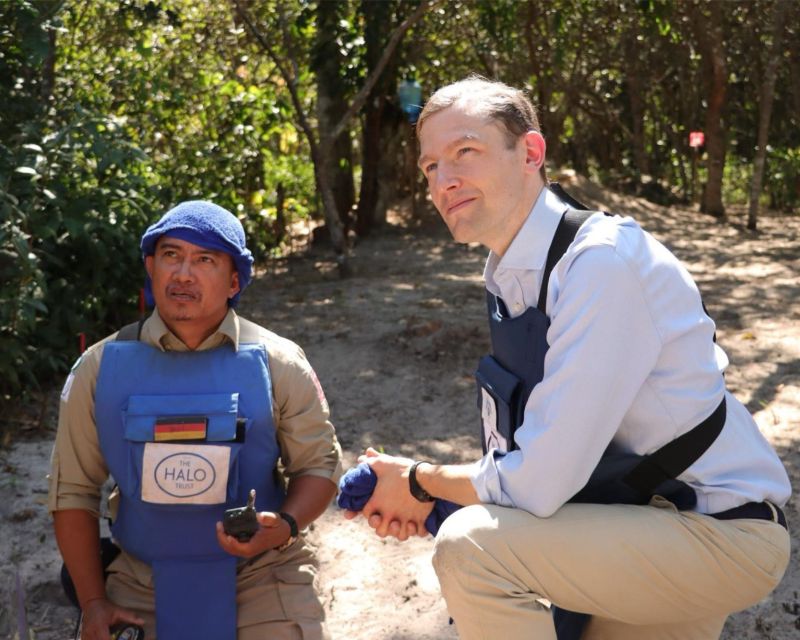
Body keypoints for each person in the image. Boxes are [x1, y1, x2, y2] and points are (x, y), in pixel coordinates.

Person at [345, 76, 791, 640]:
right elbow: (528, 451)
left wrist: (419, 481)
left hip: (717, 533)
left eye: (465, 151)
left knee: (472, 549)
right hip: (636, 522)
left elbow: (537, 483)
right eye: (430, 166)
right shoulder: (511, 274)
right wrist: (434, 499)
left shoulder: (601, 265)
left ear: (531, 152)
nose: (444, 179)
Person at [49, 200, 342, 640]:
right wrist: (93, 604)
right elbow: (73, 489)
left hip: (264, 576)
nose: (183, 273)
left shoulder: (280, 364)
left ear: (234, 280)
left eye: (205, 259)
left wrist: (282, 527)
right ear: (151, 266)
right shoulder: (97, 368)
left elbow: (318, 467)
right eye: (171, 255)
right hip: (139, 581)